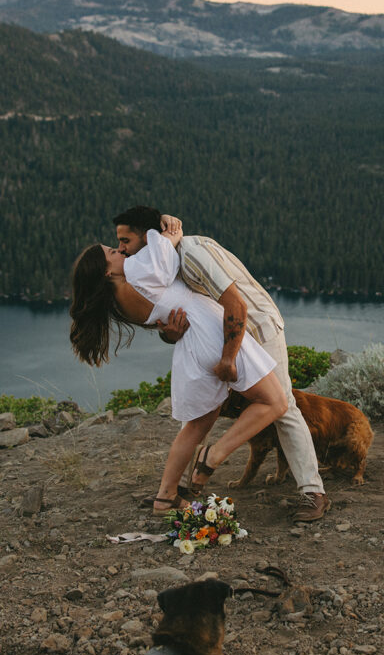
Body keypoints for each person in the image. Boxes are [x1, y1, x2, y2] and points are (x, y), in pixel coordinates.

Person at [113, 206, 331, 522]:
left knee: (283, 406)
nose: (121, 249)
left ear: (148, 236)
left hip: (256, 326)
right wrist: (172, 335)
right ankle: (177, 492)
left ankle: (314, 494)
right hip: (220, 336)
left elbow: (236, 305)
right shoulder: (163, 262)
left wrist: (228, 359)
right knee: (205, 409)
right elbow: (179, 316)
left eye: (125, 240)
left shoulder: (191, 254)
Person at [70, 224, 287, 515]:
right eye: (112, 252)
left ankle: (166, 496)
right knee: (275, 401)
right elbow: (165, 250)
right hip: (209, 332)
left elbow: (163, 316)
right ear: (107, 272)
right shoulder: (136, 278)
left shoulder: (119, 301)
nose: (121, 250)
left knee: (200, 423)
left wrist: (170, 332)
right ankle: (214, 455)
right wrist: (171, 229)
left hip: (193, 343)